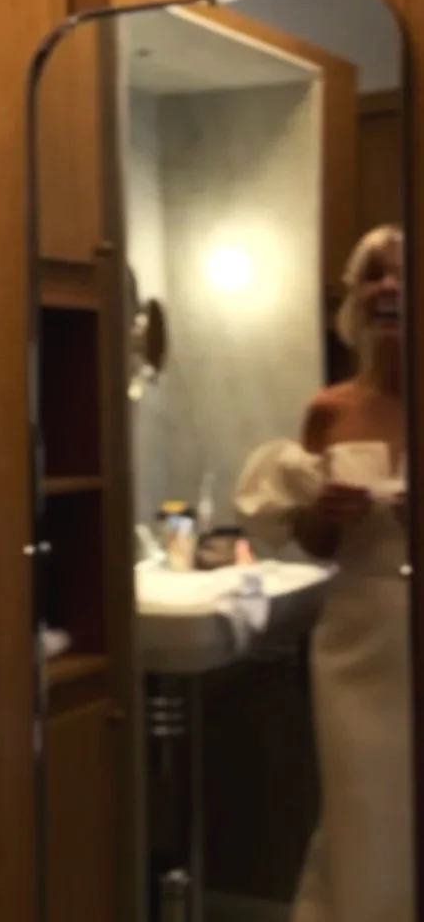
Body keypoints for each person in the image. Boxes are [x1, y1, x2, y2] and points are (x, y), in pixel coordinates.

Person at [235, 224, 412, 922]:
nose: (388, 286)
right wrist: (326, 515)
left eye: (402, 272)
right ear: (354, 296)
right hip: (355, 640)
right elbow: (312, 544)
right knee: (360, 804)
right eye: (373, 273)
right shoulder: (328, 409)